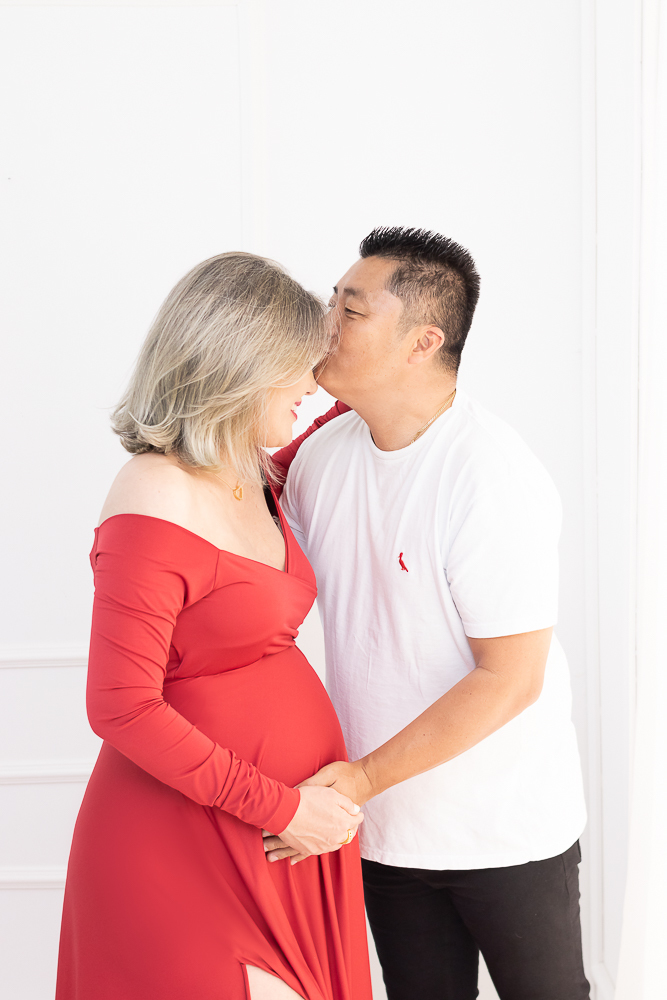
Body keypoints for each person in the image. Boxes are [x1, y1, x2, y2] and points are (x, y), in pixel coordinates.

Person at [264, 228, 591, 1000]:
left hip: (505, 828)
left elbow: (509, 679)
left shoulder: (489, 476)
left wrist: (359, 780)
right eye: (331, 303)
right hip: (384, 831)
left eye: (349, 310)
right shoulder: (320, 460)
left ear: (423, 341)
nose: (324, 325)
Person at [55, 252, 372, 1000]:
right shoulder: (153, 495)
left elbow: (348, 413)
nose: (310, 384)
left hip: (278, 833)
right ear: (241, 365)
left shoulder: (251, 471)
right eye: (297, 367)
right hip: (188, 838)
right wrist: (286, 807)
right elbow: (120, 706)